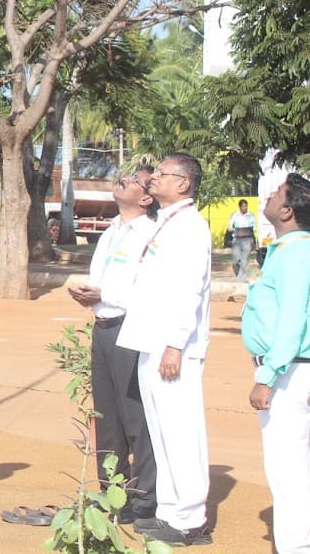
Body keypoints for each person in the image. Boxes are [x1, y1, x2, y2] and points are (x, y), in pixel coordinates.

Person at [116, 152, 213, 546]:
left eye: (161, 173)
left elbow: (188, 289)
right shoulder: (168, 223)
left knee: (180, 432)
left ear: (183, 184)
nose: (152, 178)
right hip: (150, 342)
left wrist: (175, 343)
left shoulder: (189, 226)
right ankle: (171, 512)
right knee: (162, 432)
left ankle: (190, 519)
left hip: (173, 347)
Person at [67, 168, 159, 525]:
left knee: (135, 417)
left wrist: (106, 295)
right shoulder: (111, 232)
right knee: (107, 419)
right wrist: (90, 298)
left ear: (147, 197)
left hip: (131, 328)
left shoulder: (150, 233)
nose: (123, 179)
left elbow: (150, 288)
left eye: (135, 179)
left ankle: (144, 499)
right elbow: (104, 281)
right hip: (103, 327)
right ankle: (112, 495)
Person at [241, 174, 310, 554]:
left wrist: (267, 376)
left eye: (275, 193)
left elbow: (292, 320)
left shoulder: (297, 252)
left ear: (287, 210)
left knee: (289, 472)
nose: (266, 196)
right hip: (293, 367)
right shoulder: (288, 250)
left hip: (288, 370)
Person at [228, 198, 257, 282]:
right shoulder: (235, 215)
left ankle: (241, 280)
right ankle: (239, 276)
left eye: (246, 206)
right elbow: (229, 227)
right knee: (235, 261)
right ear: (240, 207)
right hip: (237, 239)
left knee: (245, 260)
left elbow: (255, 227)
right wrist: (234, 230)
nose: (245, 208)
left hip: (247, 239)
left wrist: (251, 230)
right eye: (243, 206)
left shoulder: (251, 215)